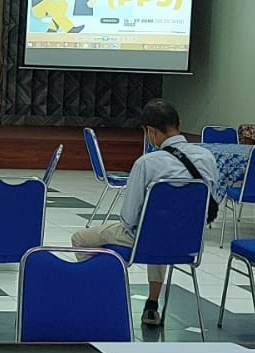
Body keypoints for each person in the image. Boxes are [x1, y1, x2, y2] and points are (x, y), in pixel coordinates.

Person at [71, 98, 217, 327]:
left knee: (81, 238)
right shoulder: (208, 158)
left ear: (151, 132)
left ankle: (102, 297)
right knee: (160, 230)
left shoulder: (146, 163)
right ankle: (152, 303)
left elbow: (128, 218)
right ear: (179, 125)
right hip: (189, 242)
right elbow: (212, 203)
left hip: (148, 239)